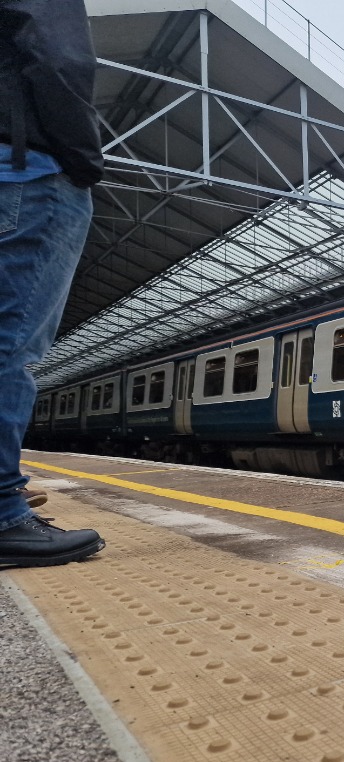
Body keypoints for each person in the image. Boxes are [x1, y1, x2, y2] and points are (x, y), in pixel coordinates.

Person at [0, 0, 105, 566]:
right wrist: (83, 158)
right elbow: (61, 59)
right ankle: (1, 516)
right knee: (11, 346)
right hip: (27, 168)